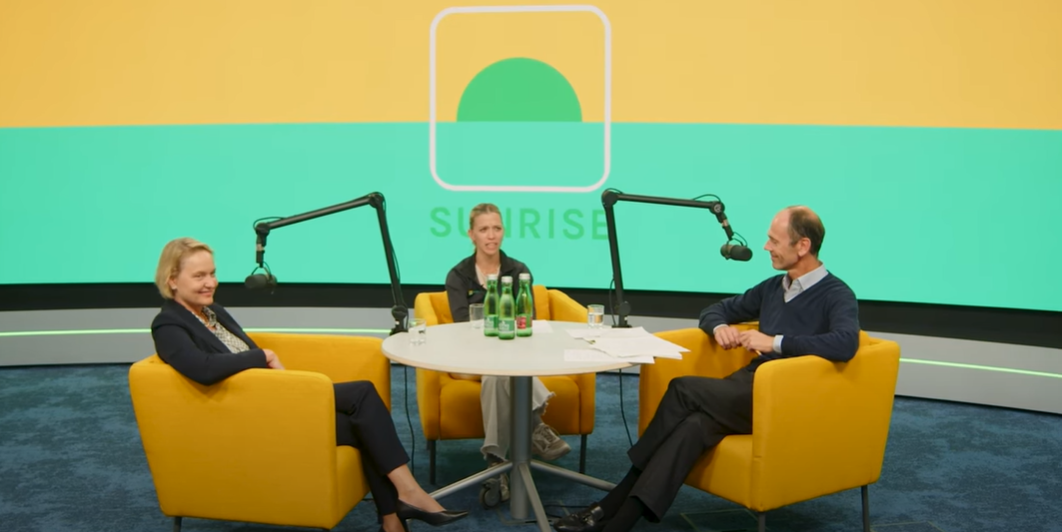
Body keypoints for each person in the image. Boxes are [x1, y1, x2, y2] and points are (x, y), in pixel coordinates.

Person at [553, 206, 860, 532]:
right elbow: (716, 310)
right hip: (748, 388)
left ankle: (607, 504)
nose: (766, 247)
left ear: (803, 246)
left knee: (682, 389)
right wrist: (718, 328)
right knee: (692, 428)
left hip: (785, 398)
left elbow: (845, 343)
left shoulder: (836, 294)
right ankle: (619, 522)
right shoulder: (773, 287)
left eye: (774, 240)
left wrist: (776, 342)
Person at [149, 237, 468, 532]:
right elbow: (202, 369)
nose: (210, 283)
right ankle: (408, 494)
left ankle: (392, 518)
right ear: (172, 280)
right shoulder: (168, 324)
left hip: (270, 397)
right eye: (199, 276)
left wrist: (270, 369)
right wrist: (264, 355)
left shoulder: (212, 312)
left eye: (212, 274)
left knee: (361, 423)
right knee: (362, 394)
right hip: (244, 415)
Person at [444, 203, 571, 499]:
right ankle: (536, 426)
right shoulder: (458, 275)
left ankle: (495, 462)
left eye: (497, 228)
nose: (492, 236)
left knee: (497, 375)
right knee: (498, 370)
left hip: (511, 352)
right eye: (484, 229)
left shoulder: (518, 270)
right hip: (469, 355)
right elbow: (463, 327)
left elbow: (529, 320)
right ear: (471, 234)